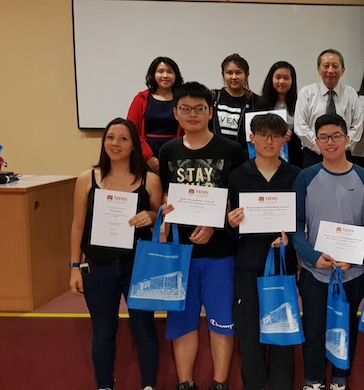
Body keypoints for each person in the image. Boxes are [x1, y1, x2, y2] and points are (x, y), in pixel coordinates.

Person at [159, 82, 247, 390]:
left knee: (221, 320)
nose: (193, 114)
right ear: (176, 113)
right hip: (180, 253)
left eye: (200, 108)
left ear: (211, 112)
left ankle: (219, 383)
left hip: (221, 253)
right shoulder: (168, 151)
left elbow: (237, 203)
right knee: (182, 322)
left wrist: (215, 224)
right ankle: (186, 383)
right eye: (186, 109)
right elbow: (166, 196)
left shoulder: (231, 150)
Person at [69, 117, 162, 390]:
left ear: (134, 144)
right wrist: (75, 266)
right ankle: (104, 385)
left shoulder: (150, 179)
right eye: (110, 137)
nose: (115, 143)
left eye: (123, 138)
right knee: (103, 331)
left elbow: (160, 221)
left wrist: (151, 215)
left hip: (138, 265)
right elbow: (77, 226)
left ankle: (148, 385)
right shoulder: (87, 179)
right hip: (98, 267)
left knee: (144, 329)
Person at [292, 113, 364, 390]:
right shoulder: (306, 177)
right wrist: (312, 257)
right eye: (324, 137)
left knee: (346, 328)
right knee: (314, 330)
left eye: (336, 136)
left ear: (347, 138)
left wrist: (355, 258)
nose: (331, 142)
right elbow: (296, 223)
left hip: (352, 271)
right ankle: (313, 380)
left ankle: (340, 379)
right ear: (316, 142)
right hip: (316, 271)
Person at [226, 114, 301, 390]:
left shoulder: (295, 175)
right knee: (250, 334)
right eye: (263, 135)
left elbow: (300, 222)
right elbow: (231, 228)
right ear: (251, 138)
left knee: (282, 330)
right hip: (248, 263)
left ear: (284, 139)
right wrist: (231, 224)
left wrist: (289, 240)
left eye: (275, 135)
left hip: (283, 264)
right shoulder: (237, 175)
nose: (269, 141)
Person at [295, 49, 364, 168]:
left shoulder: (350, 93)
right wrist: (322, 147)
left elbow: (357, 126)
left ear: (343, 70)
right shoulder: (306, 93)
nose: (330, 70)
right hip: (313, 155)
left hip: (343, 156)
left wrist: (340, 147)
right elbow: (300, 126)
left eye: (335, 66)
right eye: (326, 66)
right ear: (318, 70)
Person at [126, 56, 185, 173]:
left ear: (176, 75)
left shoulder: (183, 100)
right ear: (153, 74)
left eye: (170, 72)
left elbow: (187, 129)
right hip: (145, 156)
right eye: (160, 71)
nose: (165, 76)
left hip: (176, 155)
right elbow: (131, 130)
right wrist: (148, 157)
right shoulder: (141, 98)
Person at [255, 61, 301, 167]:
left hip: (292, 155)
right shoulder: (261, 103)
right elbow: (255, 128)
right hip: (266, 153)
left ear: (292, 80)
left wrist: (292, 135)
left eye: (286, 78)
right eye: (278, 77)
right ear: (271, 79)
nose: (281, 81)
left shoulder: (299, 102)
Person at [210, 54, 260, 152]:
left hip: (242, 156)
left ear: (247, 74)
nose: (234, 77)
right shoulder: (213, 97)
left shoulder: (255, 101)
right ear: (223, 75)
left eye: (238, 73)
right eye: (229, 73)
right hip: (214, 153)